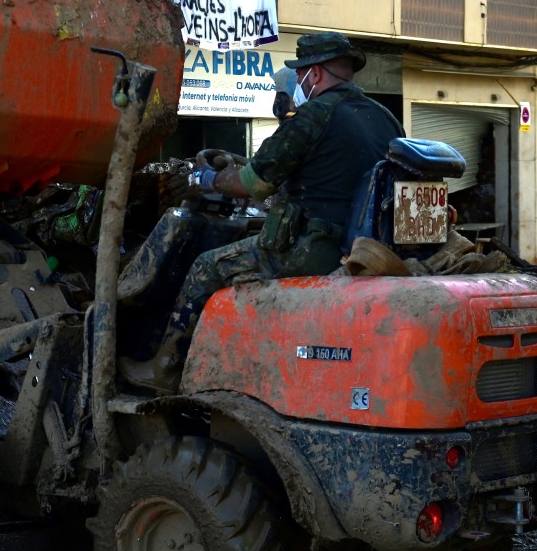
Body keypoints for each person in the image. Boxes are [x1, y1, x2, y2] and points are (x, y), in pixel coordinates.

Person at [119, 32, 405, 393]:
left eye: (300, 73)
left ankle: (165, 368)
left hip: (311, 248)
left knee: (206, 267)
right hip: (364, 247)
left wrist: (206, 178)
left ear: (312, 74)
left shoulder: (313, 115)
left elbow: (254, 183)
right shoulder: (385, 119)